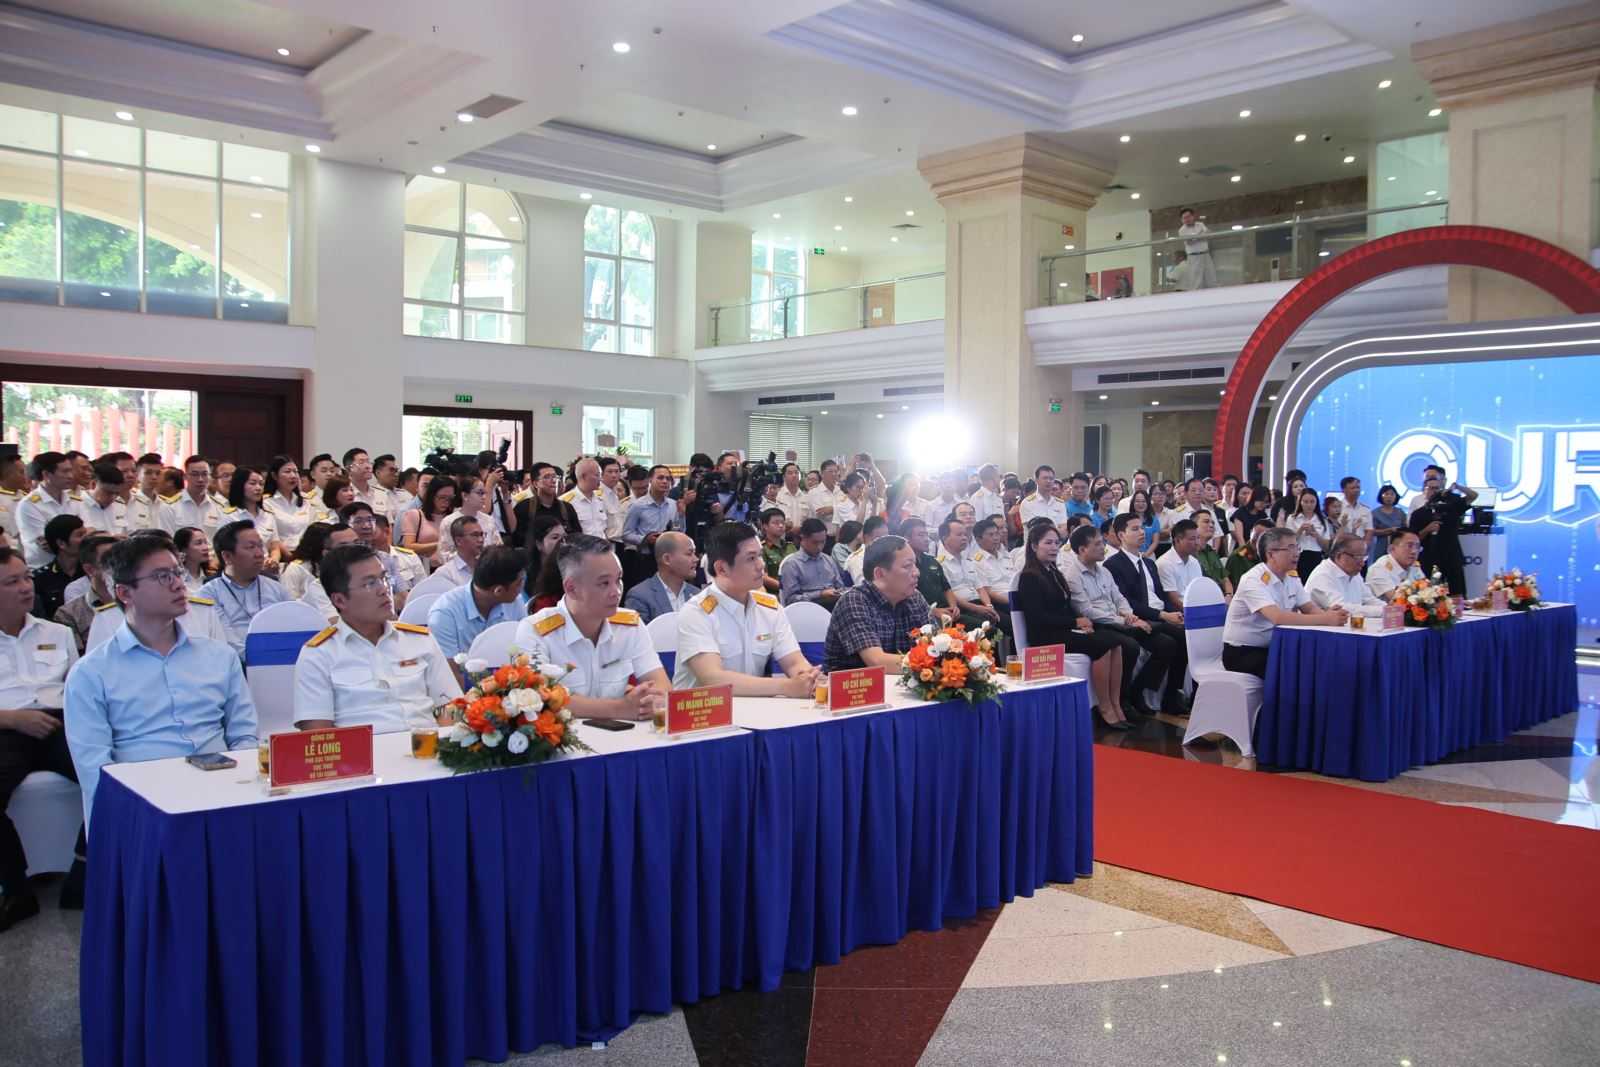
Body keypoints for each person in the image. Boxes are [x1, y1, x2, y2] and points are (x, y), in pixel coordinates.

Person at [65, 536, 258, 828]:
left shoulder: (220, 657)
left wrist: (239, 783)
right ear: (125, 592)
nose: (178, 584)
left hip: (224, 793)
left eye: (177, 573)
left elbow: (244, 734)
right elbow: (96, 768)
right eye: (162, 576)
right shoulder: (91, 673)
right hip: (145, 804)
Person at [292, 545, 461, 734]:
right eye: (369, 583)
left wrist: (448, 749)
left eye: (384, 578)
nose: (384, 590)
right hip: (361, 759)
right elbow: (318, 735)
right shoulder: (318, 654)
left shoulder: (420, 640)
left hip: (426, 750)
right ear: (339, 600)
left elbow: (450, 707)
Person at [0, 546, 83, 930]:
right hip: (6, 729)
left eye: (26, 578)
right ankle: (15, 890)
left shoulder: (57, 632)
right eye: (11, 582)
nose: (24, 588)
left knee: (109, 777)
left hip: (58, 725)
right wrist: (14, 719)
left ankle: (85, 871)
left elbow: (77, 691)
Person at [514, 536, 670, 721]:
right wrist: (618, 709)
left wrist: (651, 703)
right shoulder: (536, 630)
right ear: (571, 588)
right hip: (563, 743)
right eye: (604, 583)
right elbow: (539, 696)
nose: (616, 591)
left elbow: (662, 687)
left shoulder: (631, 625)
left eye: (618, 579)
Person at [674, 522, 820, 696]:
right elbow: (713, 678)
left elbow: (795, 663)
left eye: (759, 556)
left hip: (754, 714)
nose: (761, 565)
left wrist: (810, 679)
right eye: (751, 558)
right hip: (701, 715)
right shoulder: (696, 612)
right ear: (722, 568)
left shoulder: (769, 607)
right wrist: (786, 686)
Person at [1013, 523, 1128, 728]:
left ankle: (1115, 703)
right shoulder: (1029, 577)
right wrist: (1075, 621)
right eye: (1048, 543)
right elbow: (1037, 617)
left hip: (1063, 630)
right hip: (1044, 636)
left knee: (1116, 643)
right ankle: (1104, 707)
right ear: (1033, 546)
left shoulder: (1053, 572)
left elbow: (1064, 608)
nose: (1054, 547)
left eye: (1057, 543)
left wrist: (1082, 624)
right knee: (1102, 646)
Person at [1060, 525, 1159, 720]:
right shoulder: (1073, 576)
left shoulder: (1103, 571)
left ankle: (1138, 692)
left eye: (1102, 542)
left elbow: (1119, 597)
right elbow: (1087, 611)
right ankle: (1121, 700)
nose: (1103, 547)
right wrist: (1124, 620)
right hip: (1100, 624)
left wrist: (1130, 616)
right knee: (1129, 646)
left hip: (1119, 620)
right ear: (1082, 550)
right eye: (1097, 544)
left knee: (1166, 642)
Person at [1221, 527, 1348, 677]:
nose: (1296, 553)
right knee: (1298, 669)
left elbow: (1309, 608)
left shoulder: (1291, 577)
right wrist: (1326, 619)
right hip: (1243, 652)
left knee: (1319, 659)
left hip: (1276, 646)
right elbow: (1278, 618)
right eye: (1290, 548)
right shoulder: (1253, 579)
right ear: (1270, 554)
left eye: (1297, 547)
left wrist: (1330, 616)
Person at [1102, 514, 1190, 716]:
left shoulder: (1149, 563)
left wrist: (1172, 612)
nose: (1142, 532)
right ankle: (1139, 691)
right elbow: (1127, 602)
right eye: (1135, 529)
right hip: (1137, 620)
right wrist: (1162, 615)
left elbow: (1160, 595)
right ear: (1121, 534)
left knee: (1185, 636)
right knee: (1169, 643)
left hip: (1160, 616)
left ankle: (1172, 694)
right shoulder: (1113, 565)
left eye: (1142, 528)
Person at [823, 534, 933, 673]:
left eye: (915, 565)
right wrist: (932, 663)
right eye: (907, 566)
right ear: (879, 574)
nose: (916, 572)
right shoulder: (855, 601)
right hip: (853, 689)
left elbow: (933, 646)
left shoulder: (914, 598)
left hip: (902, 686)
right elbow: (877, 661)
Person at [201, 520, 288, 656]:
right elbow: (226, 642)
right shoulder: (208, 594)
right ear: (227, 556)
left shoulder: (276, 588)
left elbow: (292, 627)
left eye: (260, 546)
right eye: (250, 547)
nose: (260, 554)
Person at [426, 546, 527, 662]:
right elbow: (449, 671)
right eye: (519, 584)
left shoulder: (515, 602)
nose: (521, 589)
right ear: (498, 591)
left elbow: (525, 650)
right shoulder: (444, 613)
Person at [1409, 469, 1477, 595]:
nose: (1434, 491)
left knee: (1457, 592)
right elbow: (1413, 538)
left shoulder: (1452, 506)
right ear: (1424, 491)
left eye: (1437, 488)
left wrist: (1457, 487)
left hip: (1451, 555)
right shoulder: (1418, 513)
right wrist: (1427, 529)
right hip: (1428, 558)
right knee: (1427, 595)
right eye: (1430, 488)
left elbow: (1473, 496)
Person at [935, 518, 1005, 633]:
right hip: (963, 608)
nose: (964, 538)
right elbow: (950, 594)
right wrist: (978, 609)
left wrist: (989, 606)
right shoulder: (940, 564)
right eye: (959, 535)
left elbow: (980, 588)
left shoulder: (968, 561)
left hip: (980, 604)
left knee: (1006, 622)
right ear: (945, 538)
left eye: (965, 534)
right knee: (992, 631)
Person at [16, 452, 83, 569]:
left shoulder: (75, 500)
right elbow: (48, 544)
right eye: (65, 471)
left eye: (70, 471)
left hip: (74, 566)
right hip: (44, 569)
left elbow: (89, 532)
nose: (71, 476)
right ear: (46, 475)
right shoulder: (29, 505)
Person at [54, 533, 120, 652]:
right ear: (90, 569)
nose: (119, 565)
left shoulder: (139, 602)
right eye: (110, 561)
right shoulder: (70, 614)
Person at [281, 522, 358, 620]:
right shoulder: (318, 584)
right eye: (343, 547)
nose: (354, 551)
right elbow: (289, 605)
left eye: (357, 543)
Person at [623, 530, 700, 624]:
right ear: (667, 559)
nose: (696, 559)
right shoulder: (639, 596)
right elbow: (635, 637)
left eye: (694, 553)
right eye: (689, 554)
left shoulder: (698, 595)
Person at [621, 465, 682, 580]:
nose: (665, 481)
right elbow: (626, 534)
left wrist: (682, 515)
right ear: (650, 480)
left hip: (669, 558)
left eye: (668, 479)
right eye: (660, 478)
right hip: (646, 559)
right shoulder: (637, 506)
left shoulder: (673, 505)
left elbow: (680, 531)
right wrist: (645, 539)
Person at [1305, 534, 1386, 618]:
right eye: (1358, 557)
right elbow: (1342, 609)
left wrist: (1390, 609)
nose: (1362, 563)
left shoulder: (1354, 573)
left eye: (1364, 557)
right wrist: (1382, 611)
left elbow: (1369, 599)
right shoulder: (1322, 576)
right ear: (1339, 556)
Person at [779, 518, 846, 609]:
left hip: (833, 607)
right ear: (803, 538)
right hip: (807, 610)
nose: (819, 547)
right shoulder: (792, 564)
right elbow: (790, 600)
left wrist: (840, 592)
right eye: (815, 542)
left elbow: (840, 587)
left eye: (822, 542)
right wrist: (820, 595)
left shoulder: (828, 560)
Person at [158, 455, 228, 540]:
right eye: (195, 474)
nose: (200, 479)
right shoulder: (169, 507)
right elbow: (168, 541)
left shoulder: (220, 506)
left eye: (204, 474)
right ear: (185, 476)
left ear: (210, 476)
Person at [437, 474, 503, 563]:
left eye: (484, 493)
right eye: (479, 493)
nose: (483, 497)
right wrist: (469, 556)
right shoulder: (449, 521)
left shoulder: (488, 520)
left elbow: (499, 548)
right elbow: (443, 555)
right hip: (459, 572)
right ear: (465, 495)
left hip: (487, 570)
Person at [31, 515, 87, 620]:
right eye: (80, 535)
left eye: (86, 534)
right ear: (61, 543)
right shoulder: (40, 579)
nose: (87, 539)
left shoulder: (91, 571)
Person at [512, 463, 580, 544]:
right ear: (535, 484)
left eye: (555, 477)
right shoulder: (524, 508)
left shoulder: (567, 508)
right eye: (547, 477)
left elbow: (577, 536)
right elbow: (517, 539)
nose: (553, 480)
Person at [399, 475, 457, 567]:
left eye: (450, 498)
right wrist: (440, 544)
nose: (446, 502)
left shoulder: (453, 517)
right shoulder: (414, 515)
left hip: (449, 567)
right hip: (423, 568)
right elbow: (408, 546)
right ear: (432, 495)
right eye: (442, 497)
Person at [263, 455, 314, 555]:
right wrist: (290, 556)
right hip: (281, 556)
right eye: (287, 472)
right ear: (274, 476)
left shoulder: (306, 500)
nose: (293, 476)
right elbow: (272, 537)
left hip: (307, 554)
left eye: (295, 472)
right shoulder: (266, 502)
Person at [1365, 528, 1426, 602]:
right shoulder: (1379, 568)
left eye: (1417, 547)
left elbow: (1426, 591)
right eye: (1409, 546)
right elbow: (1398, 600)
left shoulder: (1414, 566)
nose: (1414, 551)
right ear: (1392, 549)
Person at [1156, 519, 1205, 609]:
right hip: (1178, 612)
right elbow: (1173, 600)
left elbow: (1199, 590)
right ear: (1178, 540)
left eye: (1198, 538)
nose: (1197, 543)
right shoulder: (1165, 563)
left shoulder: (1194, 562)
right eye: (1192, 539)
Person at [1284, 487, 1333, 577]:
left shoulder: (1323, 520)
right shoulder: (1292, 518)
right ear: (1300, 502)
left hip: (1316, 556)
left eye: (1312, 502)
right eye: (1305, 502)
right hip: (1298, 556)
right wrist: (1300, 530)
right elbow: (1287, 542)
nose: (1309, 505)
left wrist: (1316, 534)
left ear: (1316, 502)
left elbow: (1327, 547)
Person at [559, 457, 610, 539]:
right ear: (583, 476)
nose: (601, 478)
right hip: (581, 550)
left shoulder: (601, 498)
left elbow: (603, 529)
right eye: (597, 475)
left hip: (603, 548)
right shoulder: (566, 502)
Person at [78, 461, 128, 536]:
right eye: (108, 493)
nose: (113, 498)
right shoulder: (78, 505)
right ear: (93, 484)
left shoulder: (120, 505)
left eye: (117, 493)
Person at [1191, 510, 1233, 597]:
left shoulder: (1210, 551)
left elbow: (1226, 579)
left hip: (1222, 598)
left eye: (1213, 523)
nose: (1211, 525)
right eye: (1206, 522)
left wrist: (1229, 596)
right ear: (1194, 526)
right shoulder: (1190, 553)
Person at [1176, 207, 1217, 290]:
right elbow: (1189, 242)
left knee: (1211, 278)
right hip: (1194, 257)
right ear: (1182, 220)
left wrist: (1195, 237)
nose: (1187, 219)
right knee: (1196, 282)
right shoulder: (1182, 230)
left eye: (1188, 216)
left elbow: (1208, 234)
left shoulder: (1200, 224)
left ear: (1193, 216)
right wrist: (1200, 235)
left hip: (1206, 254)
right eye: (1184, 218)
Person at [758, 507, 795, 593]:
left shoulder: (791, 546)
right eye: (776, 523)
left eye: (782, 522)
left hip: (795, 592)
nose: (781, 526)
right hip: (775, 594)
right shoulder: (761, 548)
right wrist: (784, 588)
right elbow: (763, 577)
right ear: (765, 526)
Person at [1369, 485, 1407, 568]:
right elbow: (1372, 531)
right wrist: (1388, 530)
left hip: (1398, 544)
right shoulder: (1375, 513)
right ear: (1381, 496)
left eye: (1392, 494)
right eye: (1386, 494)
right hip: (1381, 544)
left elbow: (1406, 529)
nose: (1389, 497)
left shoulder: (1400, 512)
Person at [844, 515, 888, 585]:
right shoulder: (856, 559)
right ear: (866, 538)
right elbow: (864, 586)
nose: (884, 542)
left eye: (886, 537)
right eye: (879, 538)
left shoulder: (886, 555)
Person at [1336, 476, 1373, 557]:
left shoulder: (1366, 510)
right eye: (1353, 488)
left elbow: (1369, 531)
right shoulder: (1337, 507)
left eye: (1358, 487)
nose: (1356, 490)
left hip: (1360, 552)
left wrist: (1364, 547)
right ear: (1343, 490)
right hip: (1342, 550)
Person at [773, 464, 810, 532]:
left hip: (801, 537)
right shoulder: (777, 496)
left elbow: (810, 520)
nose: (794, 475)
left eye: (796, 473)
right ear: (784, 477)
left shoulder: (806, 497)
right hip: (781, 536)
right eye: (790, 473)